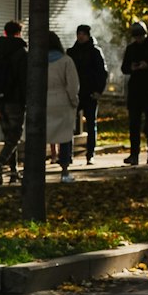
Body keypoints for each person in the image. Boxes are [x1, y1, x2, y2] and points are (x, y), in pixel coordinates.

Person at [0, 19, 28, 184]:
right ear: (18, 33)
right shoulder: (21, 53)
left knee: (8, 136)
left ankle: (13, 171)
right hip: (15, 101)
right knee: (15, 137)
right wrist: (27, 101)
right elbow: (24, 80)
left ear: (5, 32)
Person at [67, 24, 109, 164]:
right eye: (79, 33)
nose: (80, 36)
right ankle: (68, 155)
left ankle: (90, 154)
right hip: (75, 93)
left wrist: (98, 91)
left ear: (88, 35)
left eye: (83, 34)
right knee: (69, 125)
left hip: (90, 93)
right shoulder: (72, 52)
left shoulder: (95, 52)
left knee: (91, 124)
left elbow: (102, 73)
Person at [121, 21, 148, 165]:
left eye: (140, 36)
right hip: (136, 90)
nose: (138, 39)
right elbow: (124, 68)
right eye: (136, 37)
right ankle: (134, 154)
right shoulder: (131, 49)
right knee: (134, 124)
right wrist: (132, 67)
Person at [46, 31, 80, 182]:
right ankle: (65, 171)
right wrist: (74, 101)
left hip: (44, 102)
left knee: (44, 135)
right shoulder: (66, 61)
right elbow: (72, 85)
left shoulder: (38, 61)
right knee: (65, 137)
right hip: (62, 102)